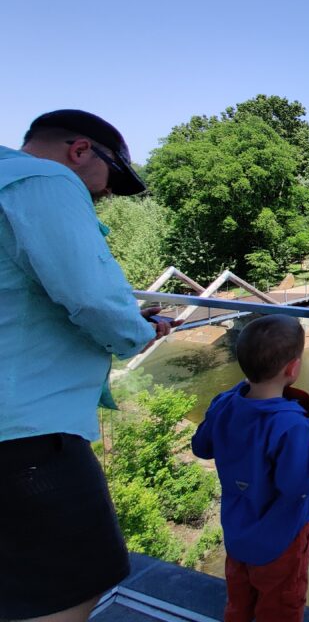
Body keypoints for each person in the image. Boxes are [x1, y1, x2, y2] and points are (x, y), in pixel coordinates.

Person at [0, 109, 175, 622]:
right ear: (80, 150)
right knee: (69, 593)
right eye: (111, 180)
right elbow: (92, 299)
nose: (107, 196)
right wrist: (136, 333)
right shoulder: (45, 178)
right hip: (28, 438)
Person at [191, 314, 309, 622]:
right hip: (281, 540)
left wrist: (232, 393)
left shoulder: (224, 403)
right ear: (293, 368)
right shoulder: (292, 425)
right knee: (281, 606)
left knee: (239, 601)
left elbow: (201, 447)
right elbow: (300, 483)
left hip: (237, 531)